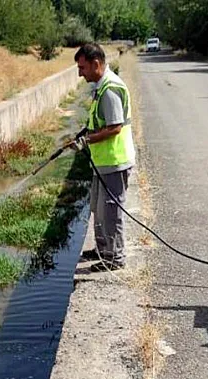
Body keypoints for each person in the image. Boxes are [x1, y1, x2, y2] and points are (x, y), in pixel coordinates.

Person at [73, 43, 136, 272]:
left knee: (111, 211)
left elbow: (115, 128)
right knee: (97, 209)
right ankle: (101, 249)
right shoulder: (100, 87)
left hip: (115, 161)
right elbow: (98, 122)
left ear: (96, 64)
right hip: (103, 162)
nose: (80, 73)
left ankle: (115, 258)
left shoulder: (109, 89)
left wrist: (86, 141)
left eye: (82, 67)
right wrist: (84, 133)